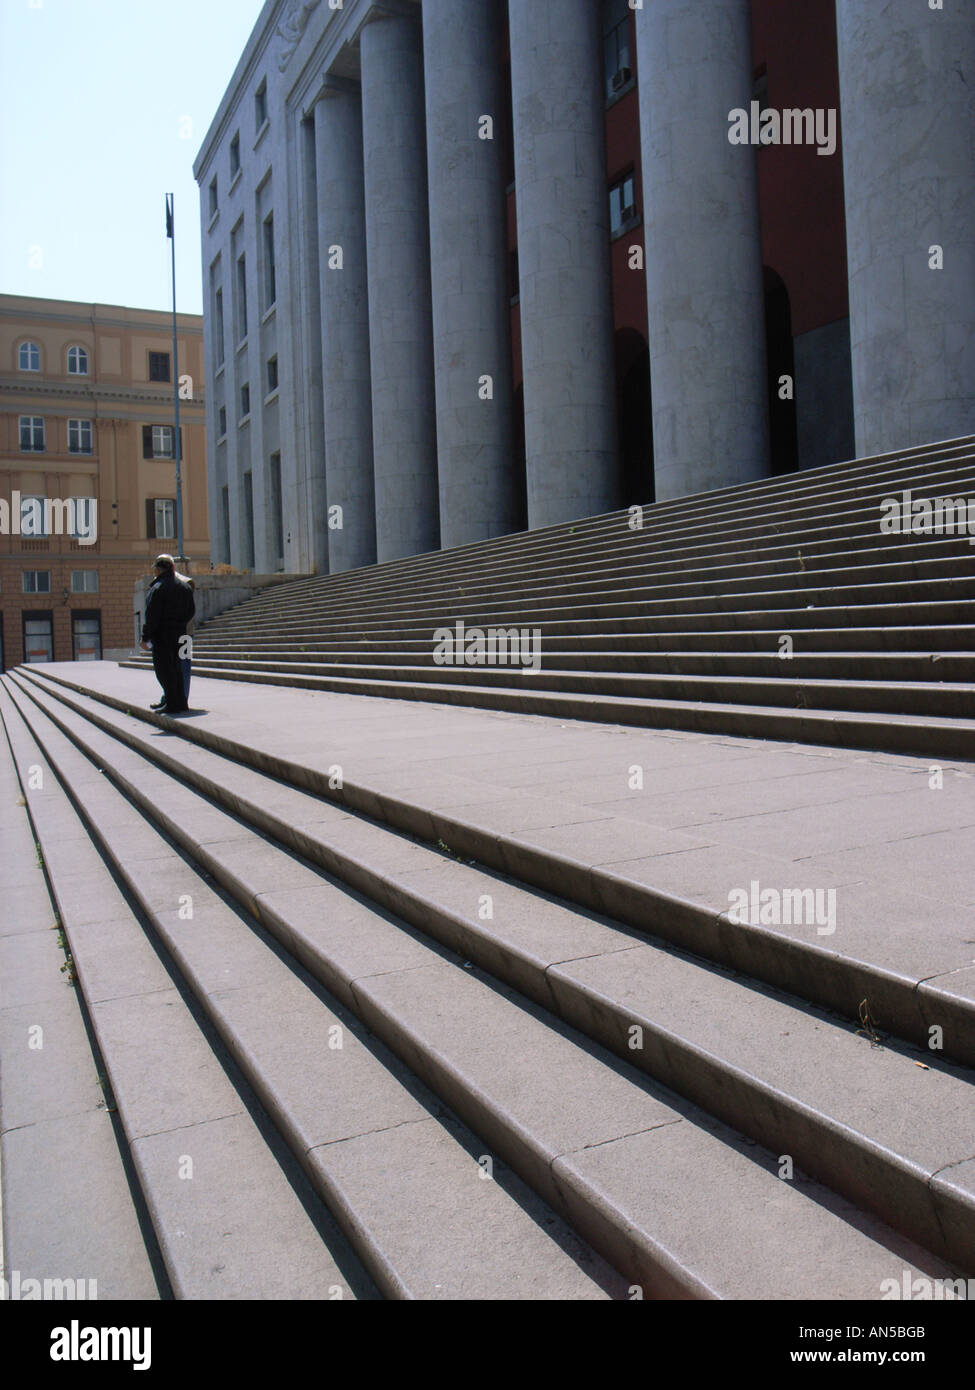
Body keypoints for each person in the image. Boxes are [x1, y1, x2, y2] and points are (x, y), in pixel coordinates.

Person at [140, 555, 195, 714]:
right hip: (181, 634)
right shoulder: (184, 586)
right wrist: (179, 623)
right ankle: (179, 701)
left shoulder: (158, 588)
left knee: (165, 669)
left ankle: (172, 701)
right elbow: (191, 611)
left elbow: (152, 615)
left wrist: (146, 636)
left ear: (158, 569)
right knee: (178, 668)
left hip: (163, 635)